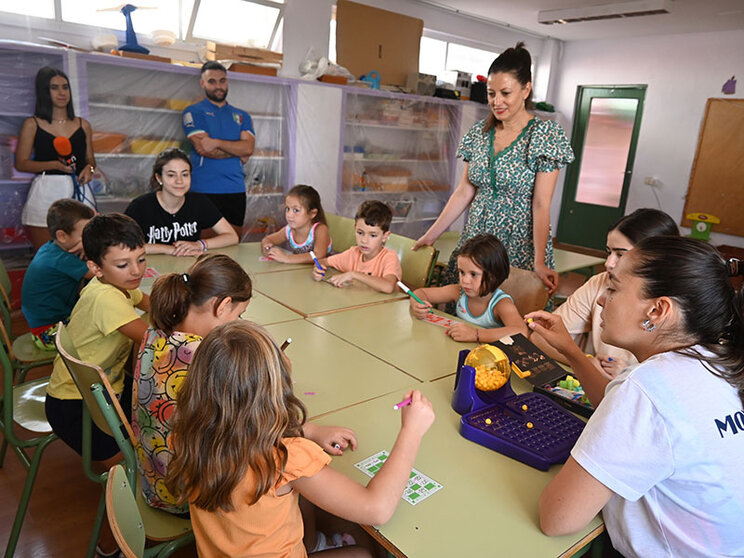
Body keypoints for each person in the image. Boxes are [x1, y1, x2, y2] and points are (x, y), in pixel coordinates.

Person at [531, 237, 744, 557]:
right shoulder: (713, 362)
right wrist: (572, 353)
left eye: (614, 289)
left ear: (657, 310)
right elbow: (633, 427)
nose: (601, 299)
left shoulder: (648, 387)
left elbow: (557, 518)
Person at [165, 320, 435, 557]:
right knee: (362, 554)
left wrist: (310, 430)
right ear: (275, 389)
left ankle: (312, 542)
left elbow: (240, 426)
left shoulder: (187, 434)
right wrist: (411, 432)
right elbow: (377, 509)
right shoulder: (285, 458)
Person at [413, 42, 574, 296]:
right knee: (464, 308)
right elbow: (464, 191)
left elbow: (542, 204)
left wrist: (539, 261)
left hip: (517, 243)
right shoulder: (479, 132)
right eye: (491, 93)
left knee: (504, 317)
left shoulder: (544, 134)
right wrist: (431, 235)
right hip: (476, 238)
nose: (496, 102)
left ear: (525, 89)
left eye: (505, 93)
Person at [45, 213, 149, 461]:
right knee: (140, 458)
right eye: (123, 265)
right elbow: (156, 342)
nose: (136, 271)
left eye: (142, 259)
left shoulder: (115, 285)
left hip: (101, 392)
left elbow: (156, 305)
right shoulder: (106, 298)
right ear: (95, 268)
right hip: (77, 405)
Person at [530, 208, 680, 380]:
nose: (609, 263)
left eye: (620, 254)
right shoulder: (600, 283)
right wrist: (585, 362)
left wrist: (629, 376)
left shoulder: (680, 308)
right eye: (609, 252)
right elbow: (542, 337)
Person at [15, 66, 97, 251]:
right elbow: (21, 163)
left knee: (85, 252)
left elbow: (90, 159)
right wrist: (55, 165)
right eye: (54, 87)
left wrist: (89, 169)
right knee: (46, 254)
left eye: (65, 87)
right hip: (46, 192)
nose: (62, 92)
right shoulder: (32, 124)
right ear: (44, 91)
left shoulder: (83, 124)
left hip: (80, 193)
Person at [409, 234, 527, 343]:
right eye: (462, 272)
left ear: (493, 275)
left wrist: (475, 334)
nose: (465, 280)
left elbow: (521, 331)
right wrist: (417, 304)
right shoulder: (458, 292)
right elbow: (421, 292)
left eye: (473, 274)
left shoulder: (500, 303)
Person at [182, 61, 255, 237]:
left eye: (222, 81)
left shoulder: (241, 115)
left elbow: (248, 148)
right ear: (203, 83)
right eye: (212, 81)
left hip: (235, 189)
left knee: (233, 244)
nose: (218, 86)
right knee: (203, 248)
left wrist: (216, 142)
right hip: (204, 189)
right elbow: (204, 149)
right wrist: (236, 150)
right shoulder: (193, 112)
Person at [124, 148, 238, 256]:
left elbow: (232, 236)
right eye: (171, 175)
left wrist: (199, 244)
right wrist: (168, 249)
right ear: (159, 178)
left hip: (188, 266)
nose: (179, 181)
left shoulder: (199, 202)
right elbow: (122, 244)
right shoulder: (140, 206)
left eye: (184, 174)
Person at [21, 199, 95, 350]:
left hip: (45, 324)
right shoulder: (61, 259)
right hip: (47, 332)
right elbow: (100, 273)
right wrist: (91, 247)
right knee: (105, 332)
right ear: (62, 236)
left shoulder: (52, 249)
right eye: (85, 234)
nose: (89, 239)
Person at [312, 201, 401, 294]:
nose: (364, 240)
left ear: (385, 236)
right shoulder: (353, 253)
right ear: (355, 229)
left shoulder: (389, 257)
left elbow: (388, 287)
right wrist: (318, 270)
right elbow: (322, 262)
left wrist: (353, 274)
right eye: (360, 233)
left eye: (373, 235)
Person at [261, 185, 332, 263]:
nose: (289, 214)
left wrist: (287, 258)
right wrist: (267, 246)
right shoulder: (289, 230)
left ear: (312, 213)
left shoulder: (320, 229)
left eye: (296, 210)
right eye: (287, 209)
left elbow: (318, 255)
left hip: (325, 272)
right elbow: (268, 239)